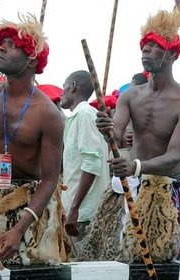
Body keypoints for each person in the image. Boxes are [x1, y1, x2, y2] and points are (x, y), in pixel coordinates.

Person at [78, 9, 180, 262]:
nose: (145, 50)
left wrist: (135, 166)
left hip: (165, 191)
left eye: (154, 46)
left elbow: (172, 157)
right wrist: (106, 129)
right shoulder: (130, 96)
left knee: (161, 262)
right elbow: (115, 136)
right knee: (117, 259)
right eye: (144, 45)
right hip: (129, 186)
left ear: (171, 54)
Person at [0, 14, 70, 272]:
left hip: (32, 204)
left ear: (31, 61)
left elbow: (50, 180)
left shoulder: (48, 114)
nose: (0, 48)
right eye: (0, 43)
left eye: (11, 45)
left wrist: (19, 228)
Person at [60, 70, 110, 257]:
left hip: (83, 215)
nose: (61, 93)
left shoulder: (86, 114)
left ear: (73, 86)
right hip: (76, 212)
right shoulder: (75, 118)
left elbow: (91, 163)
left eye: (64, 87)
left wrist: (74, 209)